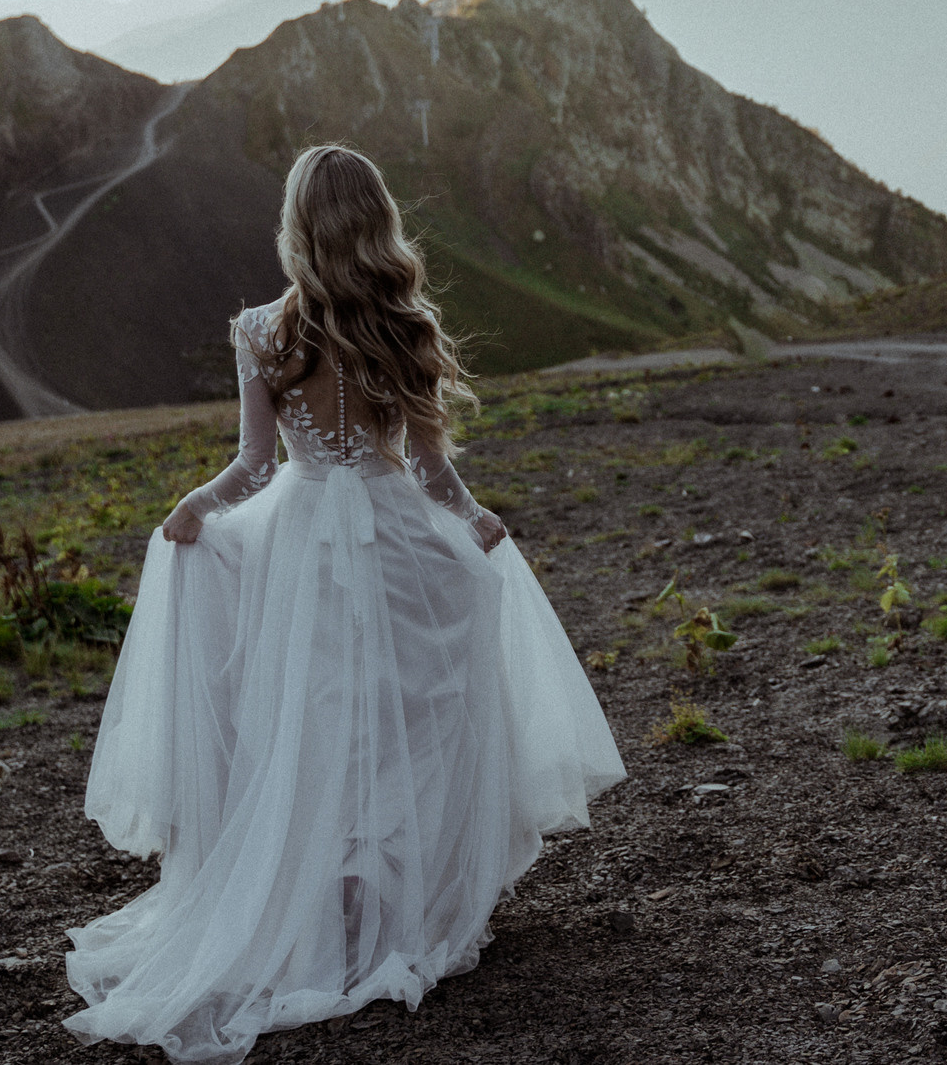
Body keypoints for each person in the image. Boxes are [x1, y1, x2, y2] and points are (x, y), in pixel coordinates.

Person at [65, 144, 625, 1062]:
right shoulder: (405, 323)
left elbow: (252, 467)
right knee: (415, 704)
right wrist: (478, 521)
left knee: (312, 712)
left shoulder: (260, 331)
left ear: (295, 225)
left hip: (299, 537)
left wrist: (196, 507)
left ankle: (327, 894)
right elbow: (433, 471)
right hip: (394, 530)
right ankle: (393, 894)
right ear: (377, 224)